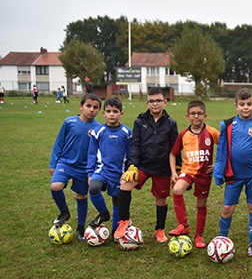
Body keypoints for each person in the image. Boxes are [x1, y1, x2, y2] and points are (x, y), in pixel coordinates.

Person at [115, 87, 179, 243]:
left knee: (161, 200)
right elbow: (135, 144)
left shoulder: (171, 123)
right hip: (142, 166)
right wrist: (132, 165)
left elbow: (175, 149)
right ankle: (124, 220)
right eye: (151, 101)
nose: (155, 104)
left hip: (162, 169)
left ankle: (159, 230)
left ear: (164, 102)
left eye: (158, 101)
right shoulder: (140, 121)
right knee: (124, 185)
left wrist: (177, 170)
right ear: (147, 103)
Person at [213, 88, 252, 256]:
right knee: (227, 208)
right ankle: (222, 240)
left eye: (249, 104)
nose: (246, 107)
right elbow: (222, 150)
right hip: (233, 175)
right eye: (242, 104)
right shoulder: (228, 124)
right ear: (236, 106)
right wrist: (218, 173)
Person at [49, 93, 102, 240]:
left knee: (82, 195)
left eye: (95, 107)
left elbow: (99, 152)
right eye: (88, 106)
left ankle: (80, 228)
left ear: (99, 111)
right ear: (81, 106)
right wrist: (53, 163)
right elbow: (58, 143)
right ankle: (64, 212)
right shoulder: (69, 122)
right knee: (56, 186)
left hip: (84, 168)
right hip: (65, 163)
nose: (91, 109)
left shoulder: (99, 128)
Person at [168, 100, 220, 249]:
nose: (196, 116)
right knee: (177, 189)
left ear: (205, 115)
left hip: (204, 174)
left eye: (199, 113)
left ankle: (199, 236)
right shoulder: (184, 134)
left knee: (201, 203)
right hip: (188, 171)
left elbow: (225, 148)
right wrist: (173, 173)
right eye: (193, 114)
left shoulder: (212, 132)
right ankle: (183, 225)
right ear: (187, 116)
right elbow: (173, 154)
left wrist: (218, 165)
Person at [86, 98, 132, 234]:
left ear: (121, 114)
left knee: (117, 202)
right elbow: (91, 154)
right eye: (108, 111)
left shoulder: (127, 132)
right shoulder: (98, 131)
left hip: (120, 173)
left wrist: (130, 170)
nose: (112, 114)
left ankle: (115, 230)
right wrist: (90, 173)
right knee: (93, 188)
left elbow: (131, 154)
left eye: (115, 111)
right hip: (102, 170)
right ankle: (104, 213)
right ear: (103, 113)